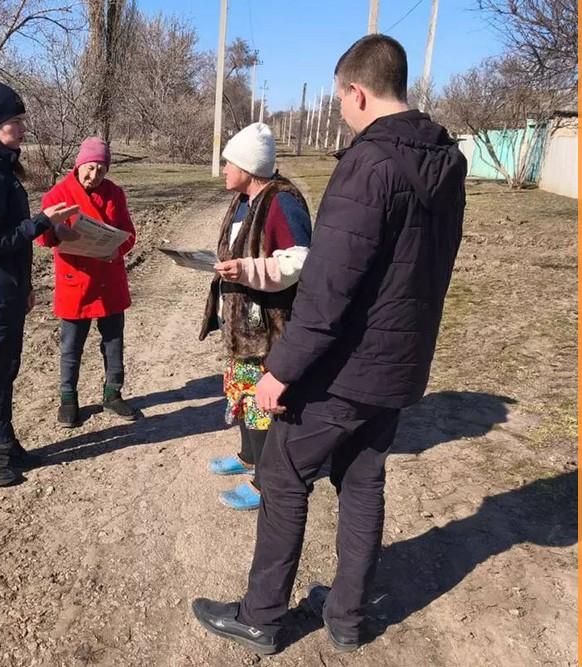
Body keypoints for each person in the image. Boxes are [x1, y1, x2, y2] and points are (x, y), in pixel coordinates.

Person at [192, 34, 467, 654]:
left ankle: (261, 615)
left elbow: (327, 287)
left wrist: (281, 371)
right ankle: (346, 617)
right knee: (364, 480)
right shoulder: (445, 163)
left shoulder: (367, 166)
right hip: (399, 364)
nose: (343, 111)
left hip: (348, 368)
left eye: (342, 99)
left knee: (283, 475)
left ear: (356, 91)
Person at [0, 81, 81, 487]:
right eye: (14, 122)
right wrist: (40, 224)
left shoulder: (0, 166)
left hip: (7, 289)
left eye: (22, 121)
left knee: (6, 369)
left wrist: (24, 285)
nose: (22, 129)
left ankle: (1, 444)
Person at [198, 122, 311, 511]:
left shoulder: (282, 201)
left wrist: (247, 270)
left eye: (229, 162)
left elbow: (300, 260)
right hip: (243, 324)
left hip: (266, 329)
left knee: (262, 403)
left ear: (248, 167)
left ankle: (266, 483)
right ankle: (248, 456)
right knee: (242, 394)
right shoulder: (245, 198)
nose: (224, 169)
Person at [38, 137, 139, 427]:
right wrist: (57, 231)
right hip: (76, 282)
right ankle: (68, 399)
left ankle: (113, 393)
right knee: (71, 346)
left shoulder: (115, 194)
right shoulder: (58, 194)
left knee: (113, 341)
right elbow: (43, 237)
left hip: (109, 279)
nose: (94, 176)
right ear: (79, 164)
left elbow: (128, 233)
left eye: (101, 170)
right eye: (90, 168)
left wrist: (115, 248)